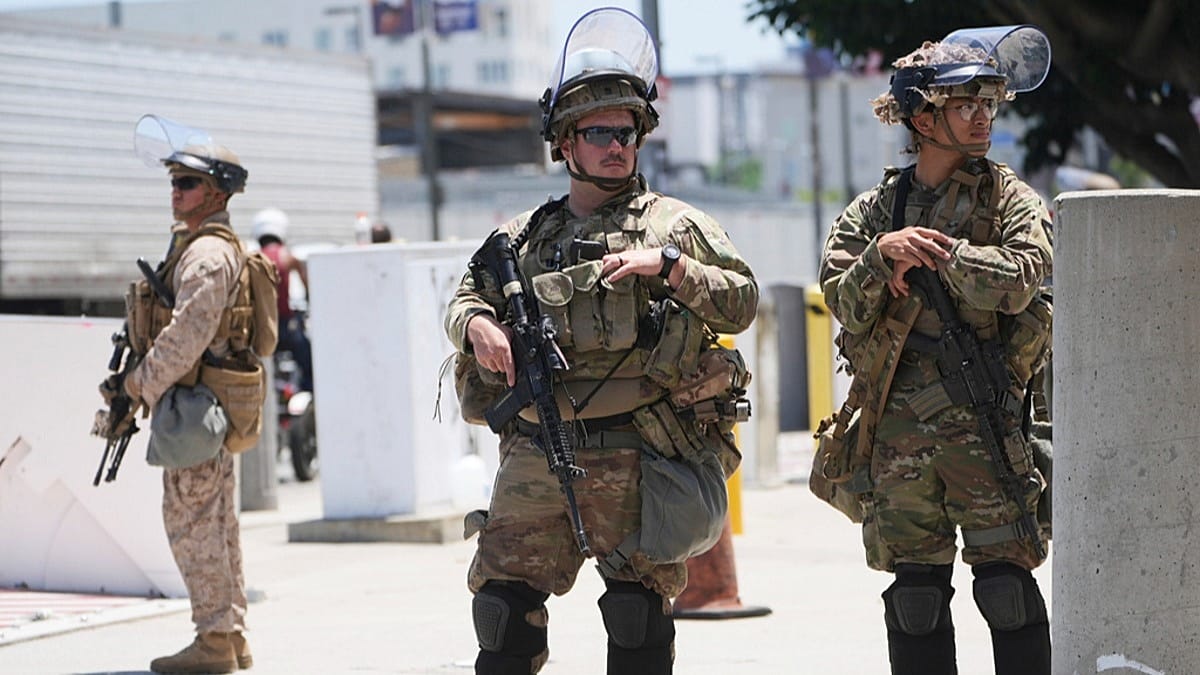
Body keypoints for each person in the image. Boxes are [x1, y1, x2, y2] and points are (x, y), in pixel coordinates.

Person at [443, 8, 757, 675]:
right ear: (565, 143)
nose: (617, 145)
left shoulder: (676, 226)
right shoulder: (523, 238)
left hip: (640, 448)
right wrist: (477, 325)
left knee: (636, 618)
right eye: (598, 133)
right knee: (501, 615)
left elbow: (742, 300)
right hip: (538, 449)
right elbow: (464, 297)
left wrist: (670, 268)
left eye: (627, 131)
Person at [819, 26, 1054, 675]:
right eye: (966, 105)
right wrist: (882, 256)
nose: (983, 118)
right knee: (915, 599)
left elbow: (1023, 277)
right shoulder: (876, 210)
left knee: (1006, 590)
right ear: (923, 119)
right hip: (897, 436)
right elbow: (841, 297)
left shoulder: (1008, 199)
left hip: (985, 424)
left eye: (989, 104)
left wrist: (944, 254)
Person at [108, 135, 255, 674]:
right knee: (216, 523)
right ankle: (230, 636)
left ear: (217, 192)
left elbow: (184, 338)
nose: (176, 191)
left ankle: (214, 640)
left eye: (188, 183)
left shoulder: (207, 256)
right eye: (174, 181)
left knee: (193, 524)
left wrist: (135, 386)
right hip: (202, 404)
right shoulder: (201, 246)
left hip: (195, 408)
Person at [252, 207, 313, 392]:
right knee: (308, 360)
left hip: (261, 327)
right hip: (285, 325)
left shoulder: (254, 259)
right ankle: (308, 390)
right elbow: (307, 284)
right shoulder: (287, 256)